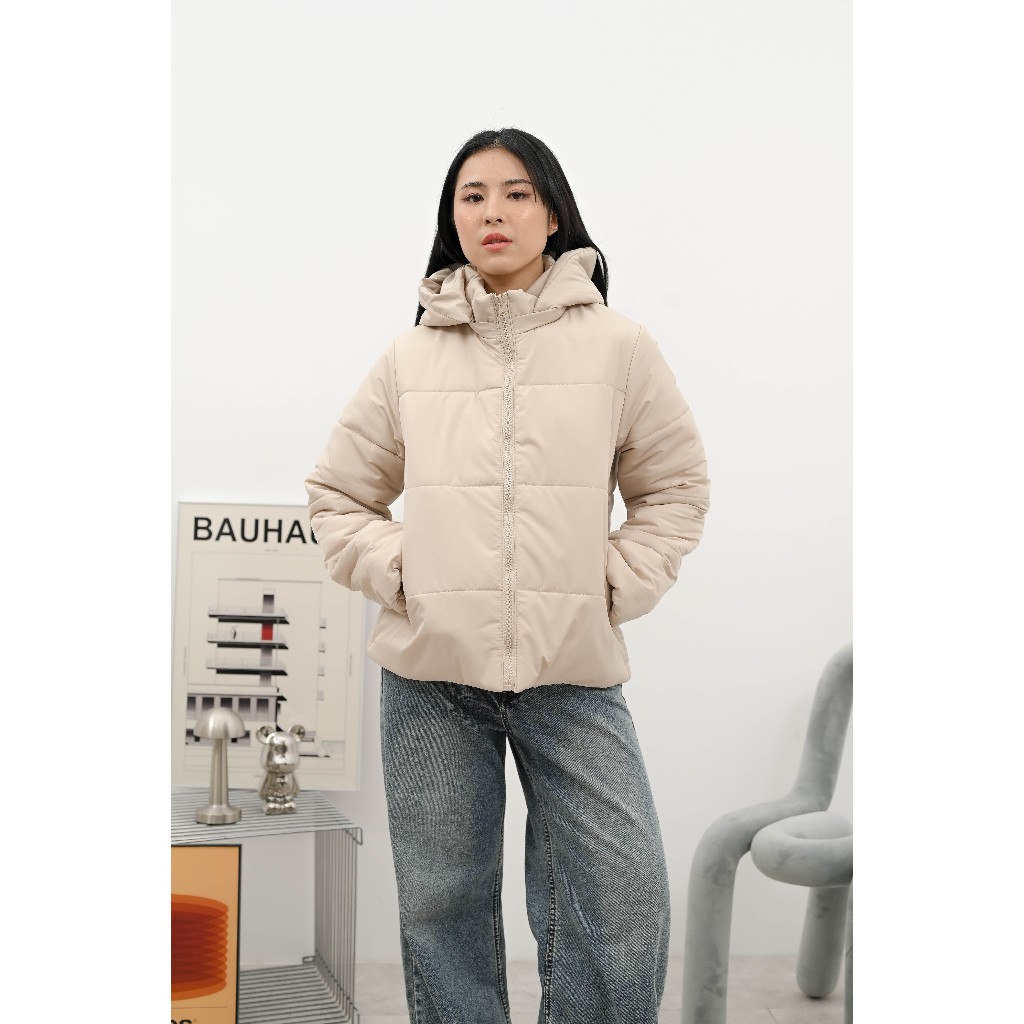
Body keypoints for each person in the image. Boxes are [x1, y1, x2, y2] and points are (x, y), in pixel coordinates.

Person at [305, 127, 710, 1024]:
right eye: (473, 195)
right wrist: (408, 571)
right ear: (451, 219)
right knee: (442, 905)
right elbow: (337, 495)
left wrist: (609, 589)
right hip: (430, 679)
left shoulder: (620, 347)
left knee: (623, 897)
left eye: (517, 192)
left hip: (571, 672)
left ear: (553, 212)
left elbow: (675, 489)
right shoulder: (411, 357)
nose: (494, 211)